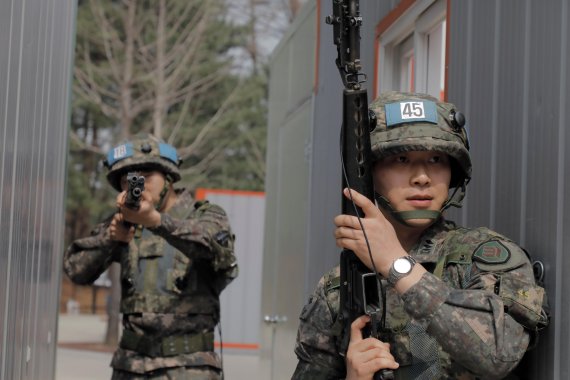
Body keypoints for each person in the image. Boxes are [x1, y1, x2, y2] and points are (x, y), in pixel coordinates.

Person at [292, 91, 549, 380]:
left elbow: (498, 355)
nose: (422, 177)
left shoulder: (486, 258)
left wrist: (396, 263)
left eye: (436, 159)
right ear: (369, 173)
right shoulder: (338, 289)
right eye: (402, 159)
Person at [64, 134, 238, 379]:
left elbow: (215, 249)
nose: (137, 185)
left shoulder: (204, 216)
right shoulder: (122, 223)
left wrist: (156, 222)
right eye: (127, 180)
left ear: (167, 177)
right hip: (131, 367)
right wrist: (111, 239)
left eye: (145, 177)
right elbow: (75, 269)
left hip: (189, 368)